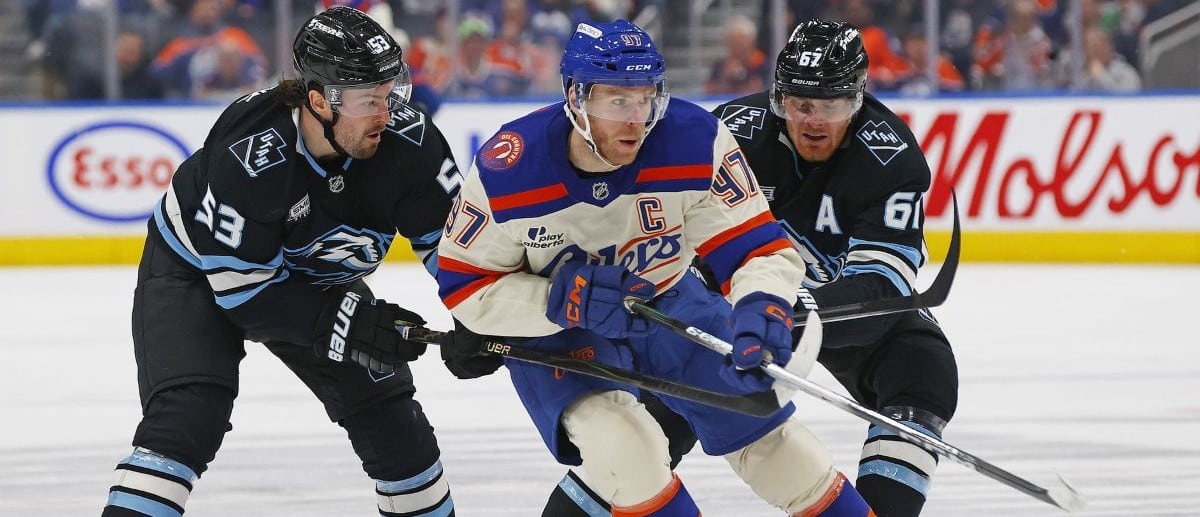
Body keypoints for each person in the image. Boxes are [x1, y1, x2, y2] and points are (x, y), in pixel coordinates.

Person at [437, 19, 873, 516]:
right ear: (575, 97)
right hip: (555, 332)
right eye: (617, 101)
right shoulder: (509, 168)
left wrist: (762, 304)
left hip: (668, 297)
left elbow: (755, 247)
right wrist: (559, 301)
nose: (637, 119)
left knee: (778, 445)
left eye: (647, 98)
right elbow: (466, 287)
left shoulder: (695, 140)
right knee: (629, 451)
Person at [541, 20, 958, 517]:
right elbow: (662, 233)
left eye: (832, 105)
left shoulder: (891, 160)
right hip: (727, 305)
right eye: (799, 104)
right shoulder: (731, 133)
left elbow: (884, 289)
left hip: (824, 306)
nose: (813, 121)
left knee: (922, 369)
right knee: (657, 419)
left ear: (859, 99)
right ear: (777, 97)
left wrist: (790, 308)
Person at [102, 7, 468, 516]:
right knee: (187, 418)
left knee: (393, 424)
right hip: (199, 269)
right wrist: (352, 323)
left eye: (390, 94)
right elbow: (245, 295)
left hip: (308, 274)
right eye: (369, 101)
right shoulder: (251, 154)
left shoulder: (411, 144)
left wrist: (478, 317)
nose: (387, 114)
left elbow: (456, 255)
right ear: (319, 101)